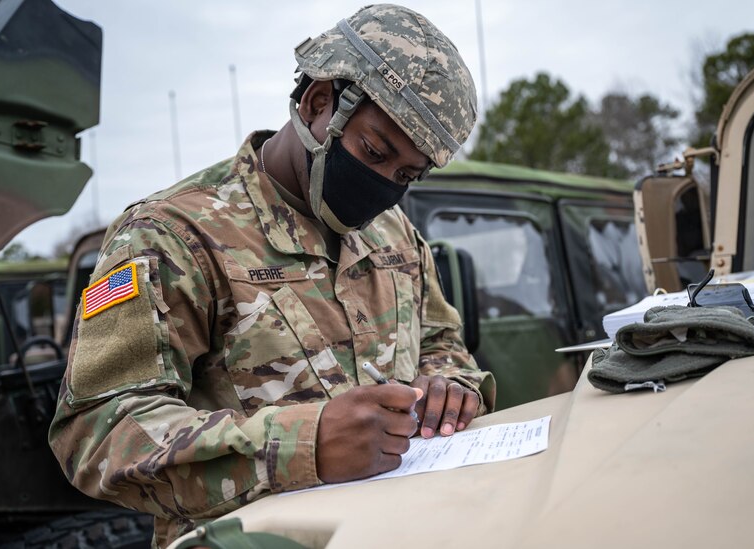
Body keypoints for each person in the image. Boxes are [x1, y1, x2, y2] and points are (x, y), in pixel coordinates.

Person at [49, 4, 496, 547]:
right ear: (318, 103)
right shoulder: (170, 235)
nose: (383, 187)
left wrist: (450, 385)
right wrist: (301, 443)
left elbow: (442, 343)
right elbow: (98, 431)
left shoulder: (394, 232)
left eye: (405, 174)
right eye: (374, 151)